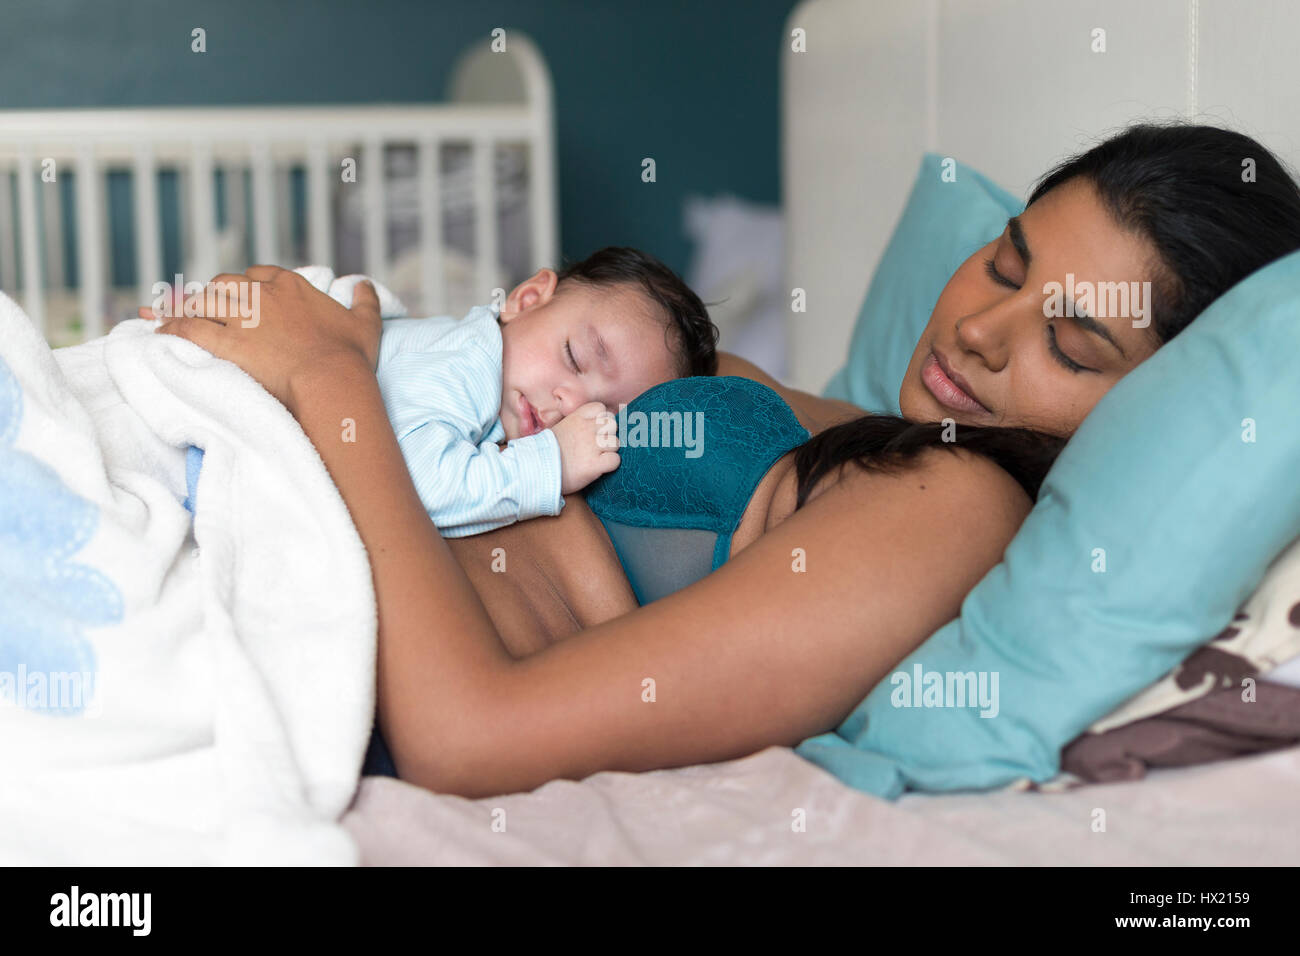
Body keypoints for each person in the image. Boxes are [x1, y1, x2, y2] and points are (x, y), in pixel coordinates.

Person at [154, 122, 1300, 798]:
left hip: (278, 623)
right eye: (1002, 266)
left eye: (1067, 342)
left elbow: (476, 731)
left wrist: (332, 381)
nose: (976, 332)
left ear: (1151, 406)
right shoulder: (865, 430)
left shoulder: (954, 509)